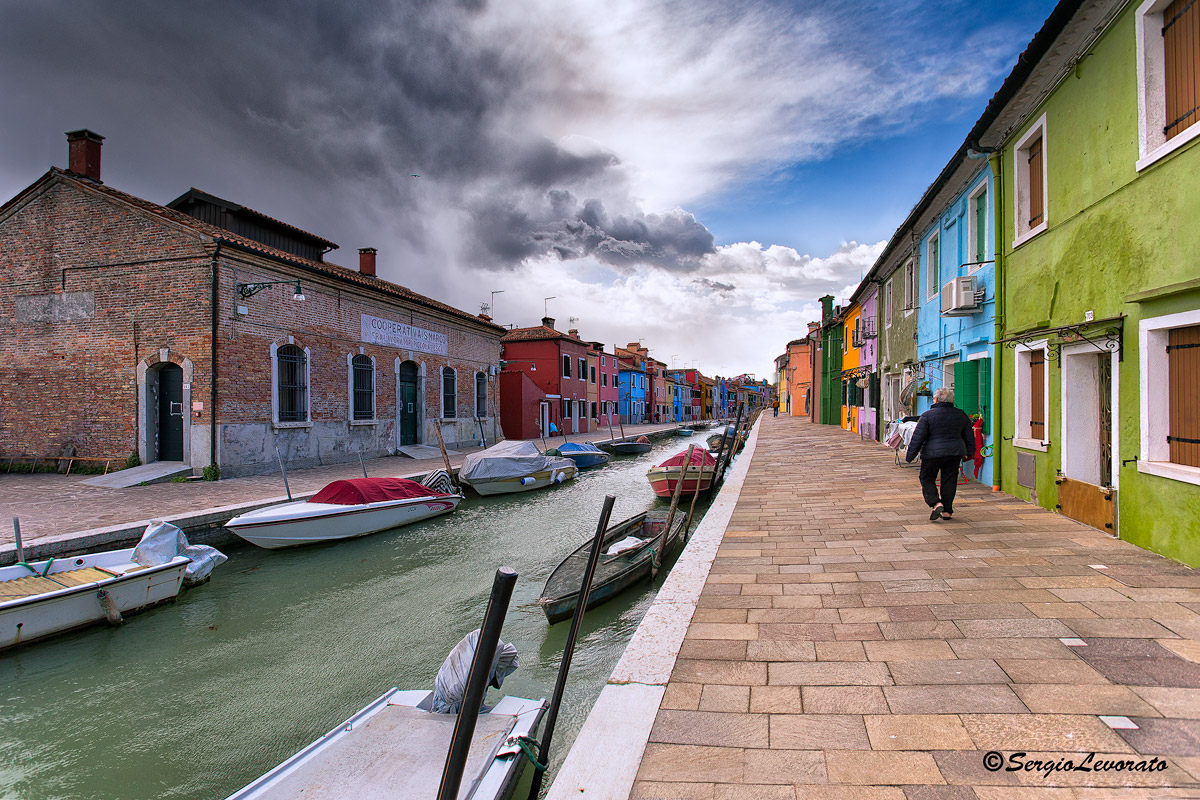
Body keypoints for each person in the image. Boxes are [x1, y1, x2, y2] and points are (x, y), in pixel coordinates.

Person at [905, 386, 974, 521]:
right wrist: (970, 453)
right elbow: (969, 436)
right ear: (952, 400)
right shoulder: (961, 414)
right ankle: (947, 511)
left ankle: (936, 503)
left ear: (935, 399)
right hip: (954, 453)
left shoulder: (927, 416)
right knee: (949, 480)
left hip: (932, 454)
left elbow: (918, 437)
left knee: (926, 478)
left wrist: (910, 455)